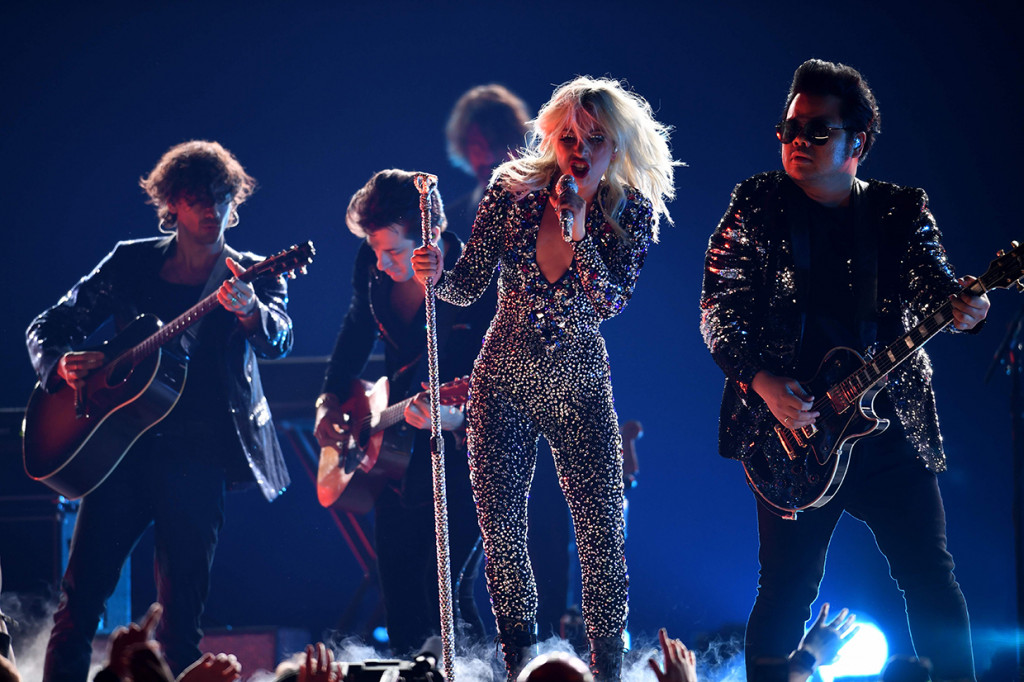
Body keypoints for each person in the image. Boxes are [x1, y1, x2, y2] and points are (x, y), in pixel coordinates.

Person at [699, 59, 989, 682]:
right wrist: (763, 383)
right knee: (785, 588)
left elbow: (940, 287)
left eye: (817, 131)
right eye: (789, 127)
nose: (797, 140)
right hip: (790, 433)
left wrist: (971, 307)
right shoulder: (756, 203)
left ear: (857, 142)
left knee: (930, 577)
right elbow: (719, 309)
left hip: (886, 428)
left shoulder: (900, 211)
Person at [413, 76, 678, 682]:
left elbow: (609, 301)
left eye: (594, 137)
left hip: (580, 382)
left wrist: (580, 229)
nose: (578, 149)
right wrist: (432, 269)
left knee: (601, 533)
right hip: (502, 377)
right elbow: (467, 286)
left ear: (617, 144)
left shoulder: (629, 208)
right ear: (550, 139)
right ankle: (521, 669)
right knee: (502, 530)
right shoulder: (512, 191)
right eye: (565, 137)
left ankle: (605, 672)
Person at [27, 140, 293, 680]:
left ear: (235, 202)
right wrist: (60, 364)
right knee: (78, 609)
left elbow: (280, 338)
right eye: (196, 199)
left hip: (200, 458)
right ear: (171, 205)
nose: (210, 209)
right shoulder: (130, 263)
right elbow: (48, 325)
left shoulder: (256, 274)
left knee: (181, 627)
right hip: (117, 452)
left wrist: (252, 315)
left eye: (221, 197)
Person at [314, 169, 494, 656]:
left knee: (447, 588)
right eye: (376, 250)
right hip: (393, 447)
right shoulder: (371, 262)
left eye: (394, 252)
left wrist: (455, 416)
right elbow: (356, 326)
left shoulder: (478, 278)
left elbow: (500, 380)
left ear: (431, 236)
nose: (381, 262)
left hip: (465, 453)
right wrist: (329, 398)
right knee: (397, 589)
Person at [446, 83, 572, 641]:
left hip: (548, 367)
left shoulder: (544, 193)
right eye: (472, 143)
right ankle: (512, 645)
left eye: (490, 141)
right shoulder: (471, 207)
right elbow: (466, 298)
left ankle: (551, 638)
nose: (482, 153)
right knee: (500, 521)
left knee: (546, 511)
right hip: (493, 377)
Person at [445, 84, 532, 236]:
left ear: (518, 143)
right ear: (464, 149)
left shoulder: (549, 208)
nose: (488, 157)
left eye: (496, 145)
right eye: (477, 147)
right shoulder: (449, 224)